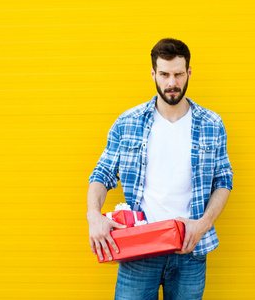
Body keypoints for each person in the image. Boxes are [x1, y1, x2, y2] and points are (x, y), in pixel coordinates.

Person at [86, 38, 233, 299]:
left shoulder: (212, 123)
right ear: (153, 73)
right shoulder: (128, 121)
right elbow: (102, 173)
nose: (172, 83)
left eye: (178, 74)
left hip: (189, 249)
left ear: (189, 73)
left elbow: (223, 180)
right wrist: (93, 214)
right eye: (164, 74)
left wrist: (203, 224)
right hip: (139, 249)